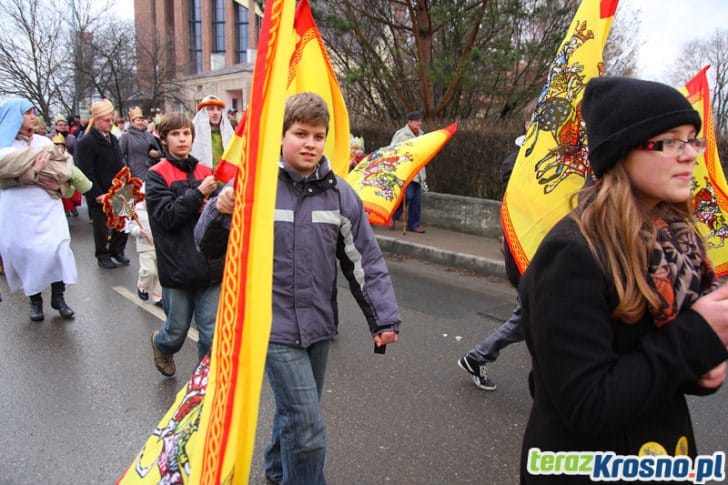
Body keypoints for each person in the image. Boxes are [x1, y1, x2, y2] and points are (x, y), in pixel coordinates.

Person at [518, 76, 728, 484]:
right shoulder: (573, 253)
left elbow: (662, 361)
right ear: (621, 151)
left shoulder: (676, 239)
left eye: (693, 140)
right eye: (669, 141)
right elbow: (587, 405)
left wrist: (703, 370)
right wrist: (696, 336)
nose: (689, 156)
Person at [194, 92, 401, 485]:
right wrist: (220, 209)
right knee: (307, 427)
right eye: (300, 133)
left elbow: (365, 261)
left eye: (318, 136)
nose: (310, 143)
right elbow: (205, 245)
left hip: (319, 327)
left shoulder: (341, 193)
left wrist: (383, 317)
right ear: (282, 135)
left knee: (296, 412)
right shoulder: (254, 185)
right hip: (271, 329)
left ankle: (275, 470)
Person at [147, 112, 223, 377]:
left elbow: (221, 214)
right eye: (175, 134)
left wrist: (216, 205)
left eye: (186, 133)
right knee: (176, 331)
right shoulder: (156, 175)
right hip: (177, 266)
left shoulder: (206, 172)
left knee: (211, 332)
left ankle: (204, 384)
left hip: (210, 265)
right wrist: (199, 194)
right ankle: (161, 344)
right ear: (164, 139)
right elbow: (166, 217)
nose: (182, 139)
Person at [457, 124, 529, 391]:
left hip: (542, 251)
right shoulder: (516, 162)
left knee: (538, 318)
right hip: (525, 250)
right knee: (528, 316)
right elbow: (517, 204)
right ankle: (477, 357)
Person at [0, 99, 78, 320]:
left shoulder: (45, 142)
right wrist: (32, 171)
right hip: (18, 209)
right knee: (28, 254)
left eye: (34, 112)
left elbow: (65, 169)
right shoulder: (4, 146)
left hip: (47, 204)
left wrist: (59, 186)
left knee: (58, 247)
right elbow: (3, 175)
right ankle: (35, 301)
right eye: (27, 113)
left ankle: (59, 298)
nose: (33, 117)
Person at [75, 99, 130, 269]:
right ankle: (103, 255)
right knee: (102, 225)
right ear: (96, 120)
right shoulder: (86, 142)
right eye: (107, 120)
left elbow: (119, 162)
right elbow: (86, 171)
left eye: (112, 119)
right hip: (99, 190)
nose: (110, 122)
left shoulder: (113, 138)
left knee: (123, 220)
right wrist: (96, 193)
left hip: (118, 188)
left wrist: (125, 182)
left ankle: (117, 250)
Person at [125, 183, 162, 305]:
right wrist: (138, 231)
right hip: (145, 246)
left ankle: (158, 297)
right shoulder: (136, 209)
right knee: (149, 270)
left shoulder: (159, 207)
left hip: (160, 245)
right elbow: (130, 226)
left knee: (160, 272)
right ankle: (142, 286)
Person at [390, 111, 426, 232]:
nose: (419, 123)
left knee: (416, 199)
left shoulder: (422, 135)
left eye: (420, 121)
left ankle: (414, 224)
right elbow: (393, 150)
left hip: (418, 171)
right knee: (407, 195)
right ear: (410, 122)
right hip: (405, 170)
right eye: (417, 121)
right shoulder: (401, 134)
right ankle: (392, 217)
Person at [189, 95, 235, 170]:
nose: (216, 113)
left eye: (219, 109)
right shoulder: (192, 134)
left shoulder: (229, 134)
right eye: (211, 109)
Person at [120, 106, 162, 180]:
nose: (141, 122)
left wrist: (156, 154)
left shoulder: (150, 136)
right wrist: (126, 170)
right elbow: (121, 155)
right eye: (138, 120)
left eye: (142, 120)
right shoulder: (126, 136)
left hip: (150, 171)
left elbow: (160, 152)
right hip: (134, 173)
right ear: (132, 122)